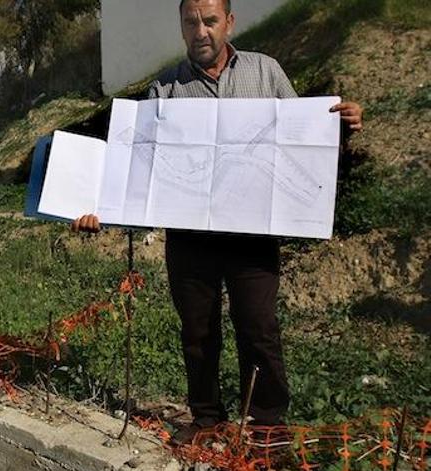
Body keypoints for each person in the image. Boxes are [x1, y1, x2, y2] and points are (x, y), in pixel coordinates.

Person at [71, 0, 363, 443]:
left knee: (259, 327)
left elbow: (302, 138)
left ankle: (267, 424)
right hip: (190, 237)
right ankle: (207, 419)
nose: (200, 31)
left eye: (209, 21)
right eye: (191, 23)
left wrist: (339, 127)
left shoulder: (265, 72)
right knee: (197, 332)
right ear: (181, 28)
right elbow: (136, 167)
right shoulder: (164, 89)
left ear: (229, 22)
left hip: (253, 233)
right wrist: (98, 207)